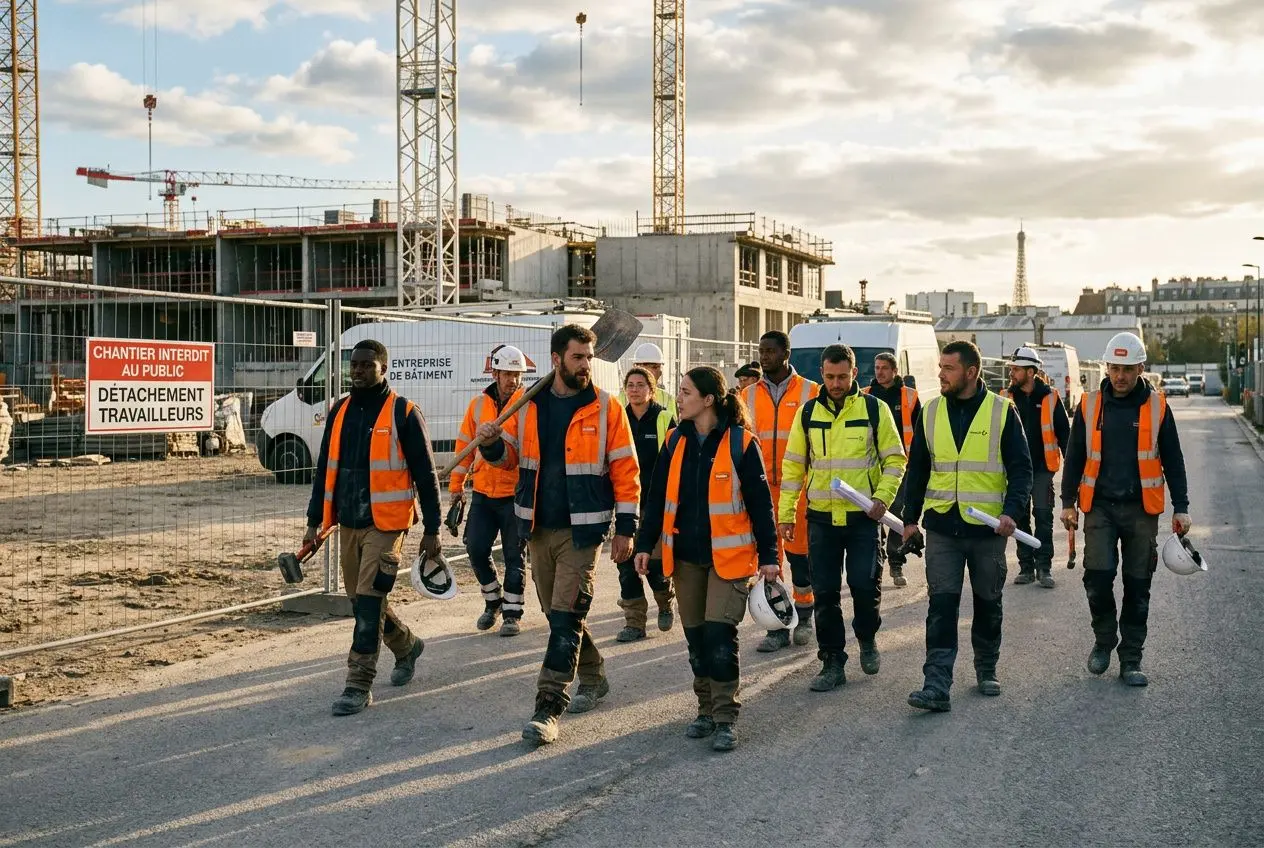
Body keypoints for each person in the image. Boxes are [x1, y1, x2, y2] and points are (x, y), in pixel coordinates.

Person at [476, 324, 640, 745]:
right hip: (535, 526)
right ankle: (594, 675)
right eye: (578, 358)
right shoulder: (527, 406)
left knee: (567, 611)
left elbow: (626, 471)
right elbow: (507, 460)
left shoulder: (607, 408)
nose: (587, 365)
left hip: (583, 531)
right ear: (556, 360)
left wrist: (626, 528)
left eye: (589, 357)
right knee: (557, 613)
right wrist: (491, 443)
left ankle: (547, 706)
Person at [635, 367, 779, 752]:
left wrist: (769, 556)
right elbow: (655, 498)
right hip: (684, 558)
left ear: (709, 400)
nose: (678, 398)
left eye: (685, 392)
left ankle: (725, 716)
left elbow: (761, 506)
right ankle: (704, 709)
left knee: (719, 636)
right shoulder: (674, 441)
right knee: (697, 639)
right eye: (679, 392)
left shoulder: (741, 444)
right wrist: (644, 545)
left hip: (729, 560)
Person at [304, 339, 443, 716]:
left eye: (367, 365)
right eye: (355, 365)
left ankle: (358, 684)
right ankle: (407, 646)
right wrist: (313, 521)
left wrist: (433, 528)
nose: (358, 371)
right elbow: (324, 470)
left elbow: (427, 476)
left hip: (387, 525)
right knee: (362, 602)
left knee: (368, 602)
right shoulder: (340, 411)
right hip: (347, 523)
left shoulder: (404, 413)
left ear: (384, 368)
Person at [900, 340, 1032, 712]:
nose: (940, 374)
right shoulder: (928, 412)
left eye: (948, 368)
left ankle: (986, 668)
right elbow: (918, 469)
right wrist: (910, 519)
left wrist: (1012, 513)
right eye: (940, 367)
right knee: (941, 606)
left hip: (987, 530)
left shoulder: (1002, 412)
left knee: (988, 601)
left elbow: (1021, 470)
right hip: (942, 527)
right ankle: (936, 684)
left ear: (971, 373)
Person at [1060, 332, 1190, 687]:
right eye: (1115, 368)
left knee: (1138, 584)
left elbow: (1173, 460)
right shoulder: (1088, 405)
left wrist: (1182, 507)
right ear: (1106, 367)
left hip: (1140, 510)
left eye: (1127, 369)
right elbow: (1074, 458)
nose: (1120, 376)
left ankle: (1131, 657)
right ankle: (1104, 641)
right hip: (1099, 507)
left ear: (1140, 368)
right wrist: (1067, 502)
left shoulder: (1158, 406)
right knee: (1097, 578)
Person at [780, 344, 906, 691]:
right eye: (830, 377)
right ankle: (832, 661)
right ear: (822, 374)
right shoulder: (807, 414)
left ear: (855, 373)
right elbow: (793, 467)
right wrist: (786, 514)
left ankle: (867, 638)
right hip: (821, 519)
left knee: (865, 587)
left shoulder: (874, 410)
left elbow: (895, 460)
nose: (836, 383)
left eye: (842, 376)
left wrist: (882, 498)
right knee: (825, 593)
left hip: (863, 519)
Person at [743, 330, 819, 652]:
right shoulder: (746, 395)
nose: (764, 356)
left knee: (801, 558)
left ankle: (804, 617)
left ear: (786, 353)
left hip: (798, 489)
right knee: (769, 560)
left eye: (770, 351)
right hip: (761, 490)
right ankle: (777, 626)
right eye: (761, 350)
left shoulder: (811, 391)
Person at [450, 344, 528, 636]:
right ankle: (492, 600)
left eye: (517, 374)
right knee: (476, 548)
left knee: (513, 555)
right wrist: (456, 488)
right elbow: (463, 448)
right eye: (507, 373)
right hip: (483, 492)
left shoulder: (527, 404)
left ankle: (512, 613)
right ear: (495, 372)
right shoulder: (477, 405)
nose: (512, 380)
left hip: (514, 493)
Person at [1000, 346, 1070, 589]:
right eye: (1012, 368)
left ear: (1031, 371)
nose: (1012, 373)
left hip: (1042, 469)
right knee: (1019, 520)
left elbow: (1065, 435)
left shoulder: (1050, 397)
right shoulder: (1005, 398)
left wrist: (1073, 471)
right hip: (1014, 471)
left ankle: (1044, 567)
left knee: (1043, 518)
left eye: (1016, 369)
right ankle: (1026, 567)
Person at [615, 367, 677, 642]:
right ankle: (634, 622)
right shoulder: (619, 419)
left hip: (657, 506)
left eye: (641, 385)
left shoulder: (664, 418)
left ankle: (665, 601)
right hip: (626, 504)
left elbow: (677, 462)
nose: (635, 389)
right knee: (625, 565)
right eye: (630, 385)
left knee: (653, 566)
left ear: (652, 390)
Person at [862, 351, 922, 588]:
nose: (879, 372)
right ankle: (878, 559)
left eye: (884, 368)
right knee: (873, 512)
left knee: (896, 512)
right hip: (869, 465)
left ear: (895, 371)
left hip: (899, 464)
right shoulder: (865, 395)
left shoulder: (909, 396)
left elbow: (919, 433)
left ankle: (896, 562)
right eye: (877, 367)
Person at [618, 342, 678, 419]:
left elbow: (674, 427)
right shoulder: (621, 397)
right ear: (637, 368)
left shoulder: (668, 399)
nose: (659, 372)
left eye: (657, 367)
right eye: (653, 367)